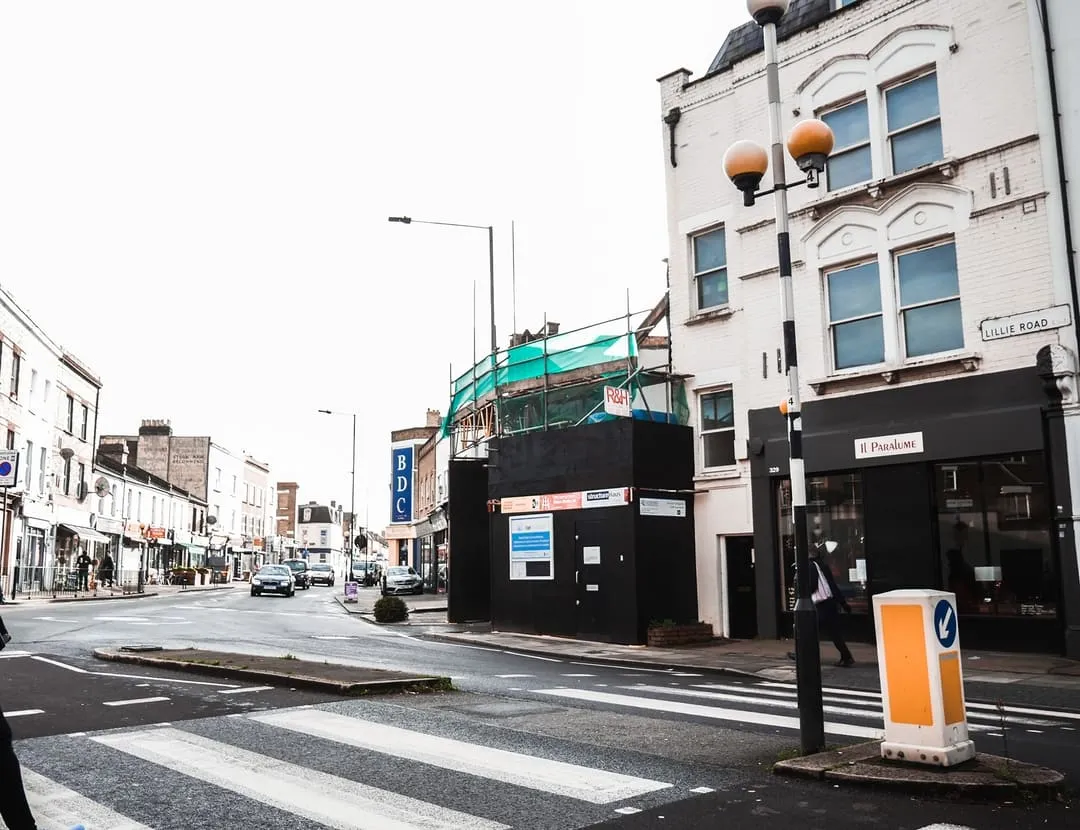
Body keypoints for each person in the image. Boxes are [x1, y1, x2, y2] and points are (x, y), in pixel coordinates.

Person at [788, 550, 856, 668]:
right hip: (829, 603)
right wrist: (843, 603)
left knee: (808, 629)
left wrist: (803, 594)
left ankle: (803, 655)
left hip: (819, 604)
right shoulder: (822, 566)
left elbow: (812, 585)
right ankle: (846, 656)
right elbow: (832, 585)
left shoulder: (809, 566)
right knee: (833, 632)